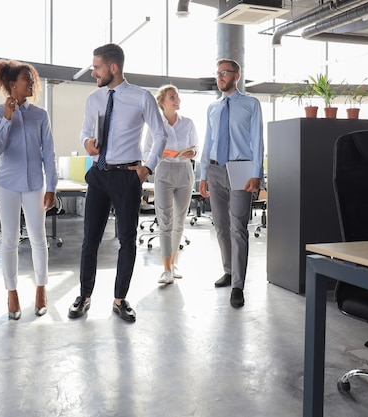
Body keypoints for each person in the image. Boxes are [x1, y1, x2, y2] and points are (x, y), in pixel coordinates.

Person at [67, 43, 167, 323]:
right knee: (90, 240)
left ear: (113, 68)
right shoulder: (93, 99)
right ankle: (84, 296)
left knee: (127, 241)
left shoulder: (141, 97)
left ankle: (120, 299)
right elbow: (85, 132)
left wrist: (147, 168)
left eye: (96, 67)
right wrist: (87, 143)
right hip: (99, 174)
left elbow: (159, 135)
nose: (92, 73)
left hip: (127, 176)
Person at [0, 59, 58, 320]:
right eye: (27, 78)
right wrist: (7, 119)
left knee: (39, 238)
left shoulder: (41, 115)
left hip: (34, 185)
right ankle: (12, 292)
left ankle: (41, 289)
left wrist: (52, 186)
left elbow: (49, 153)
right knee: (10, 239)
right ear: (12, 84)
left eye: (33, 78)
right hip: (6, 184)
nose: (32, 82)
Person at [199, 58, 264, 308]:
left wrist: (257, 173)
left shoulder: (251, 104)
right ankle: (228, 270)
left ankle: (238, 285)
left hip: (241, 169)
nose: (220, 77)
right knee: (221, 226)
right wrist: (203, 173)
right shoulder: (213, 108)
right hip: (215, 170)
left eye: (225, 73)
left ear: (236, 76)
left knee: (238, 228)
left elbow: (257, 140)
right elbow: (209, 141)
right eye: (217, 73)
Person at [143, 84, 199, 285]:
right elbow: (145, 152)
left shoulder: (188, 123)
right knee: (165, 221)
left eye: (178, 96)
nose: (177, 100)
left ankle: (173, 264)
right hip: (164, 171)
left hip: (185, 171)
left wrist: (192, 153)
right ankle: (166, 270)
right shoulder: (155, 125)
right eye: (172, 97)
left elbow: (195, 148)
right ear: (162, 102)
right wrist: (162, 154)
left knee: (179, 222)